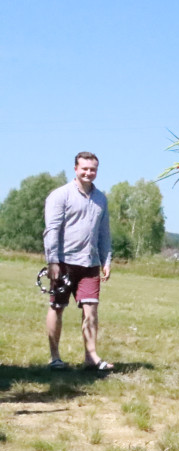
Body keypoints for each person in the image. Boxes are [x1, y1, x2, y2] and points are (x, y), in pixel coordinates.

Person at [43, 152, 114, 372]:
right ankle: (55, 357)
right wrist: (52, 260)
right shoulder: (60, 195)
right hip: (63, 262)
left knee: (91, 310)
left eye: (92, 169)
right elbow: (51, 230)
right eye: (84, 168)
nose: (88, 173)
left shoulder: (101, 198)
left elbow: (104, 233)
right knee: (57, 306)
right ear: (75, 168)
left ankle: (91, 357)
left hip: (90, 263)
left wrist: (106, 259)